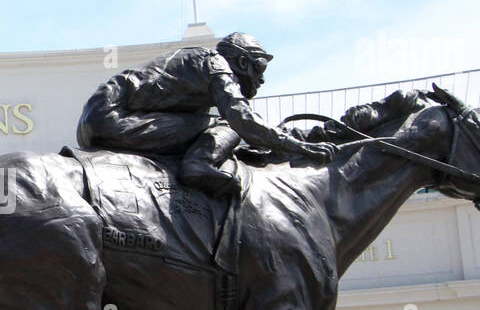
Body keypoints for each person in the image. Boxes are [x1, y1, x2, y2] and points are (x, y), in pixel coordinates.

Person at [75, 32, 337, 196]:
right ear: (243, 62)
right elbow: (242, 120)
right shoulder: (216, 64)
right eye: (260, 67)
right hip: (113, 118)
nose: (262, 79)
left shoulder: (192, 71)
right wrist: (298, 146)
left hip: (95, 122)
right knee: (229, 124)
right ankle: (199, 165)